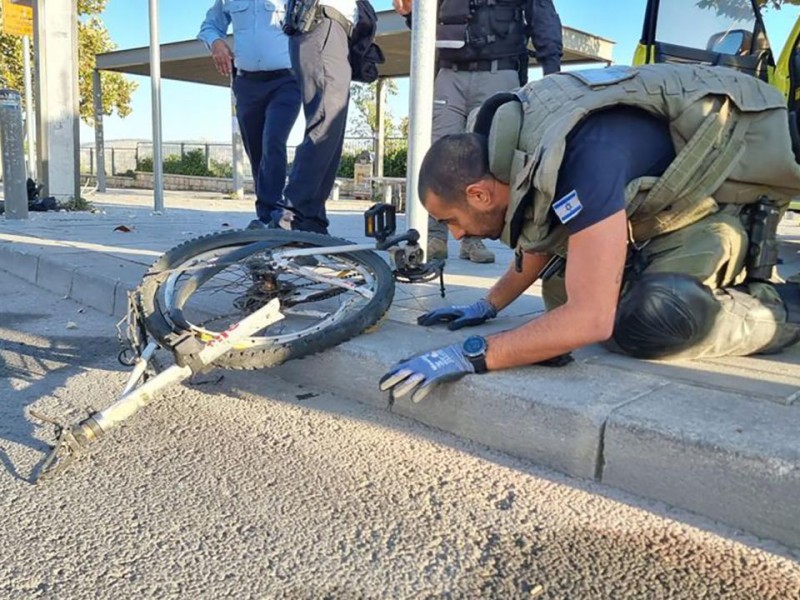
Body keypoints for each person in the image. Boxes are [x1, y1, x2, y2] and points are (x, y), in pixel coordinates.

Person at [379, 63, 800, 403]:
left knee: (653, 318)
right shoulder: (514, 150)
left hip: (708, 216)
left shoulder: (583, 158)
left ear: (479, 194)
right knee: (559, 290)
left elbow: (589, 321)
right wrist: (488, 305)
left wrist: (472, 354)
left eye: (452, 221)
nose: (454, 237)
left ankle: (783, 312)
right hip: (655, 216)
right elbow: (543, 229)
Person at [393, 0, 563, 264]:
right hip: (449, 73)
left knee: (486, 158)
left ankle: (473, 237)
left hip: (498, 71)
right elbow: (427, 21)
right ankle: (433, 234)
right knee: (435, 152)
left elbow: (544, 19)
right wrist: (409, 14)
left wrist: (553, 73)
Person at [198, 0, 301, 230]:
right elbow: (209, 26)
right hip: (247, 83)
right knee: (256, 150)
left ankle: (272, 212)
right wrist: (216, 42)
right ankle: (269, 215)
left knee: (273, 139)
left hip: (287, 81)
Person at [280, 0, 360, 235]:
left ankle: (311, 224)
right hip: (323, 22)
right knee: (326, 122)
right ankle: (293, 220)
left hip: (331, 28)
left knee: (330, 129)